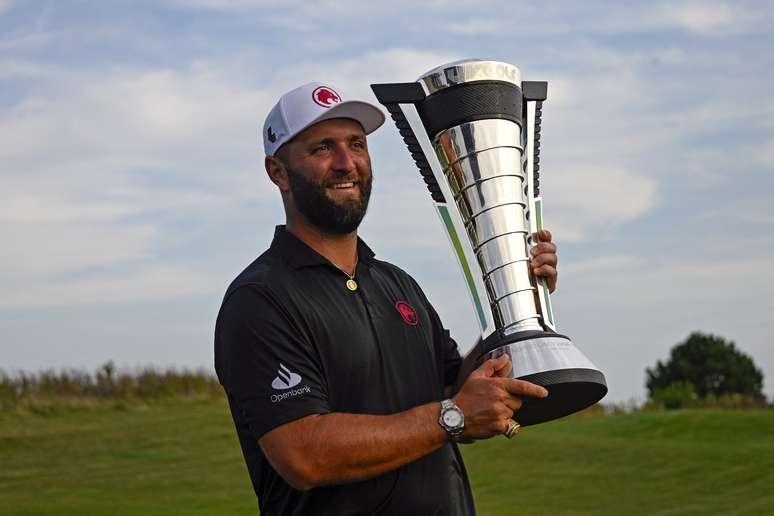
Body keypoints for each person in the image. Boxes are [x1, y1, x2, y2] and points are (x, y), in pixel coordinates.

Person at [214, 82, 559, 515]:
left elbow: (457, 393)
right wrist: (449, 416)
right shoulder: (260, 300)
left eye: (356, 144)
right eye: (323, 148)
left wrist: (515, 296)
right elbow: (302, 453)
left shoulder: (397, 285)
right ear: (277, 171)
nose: (346, 163)